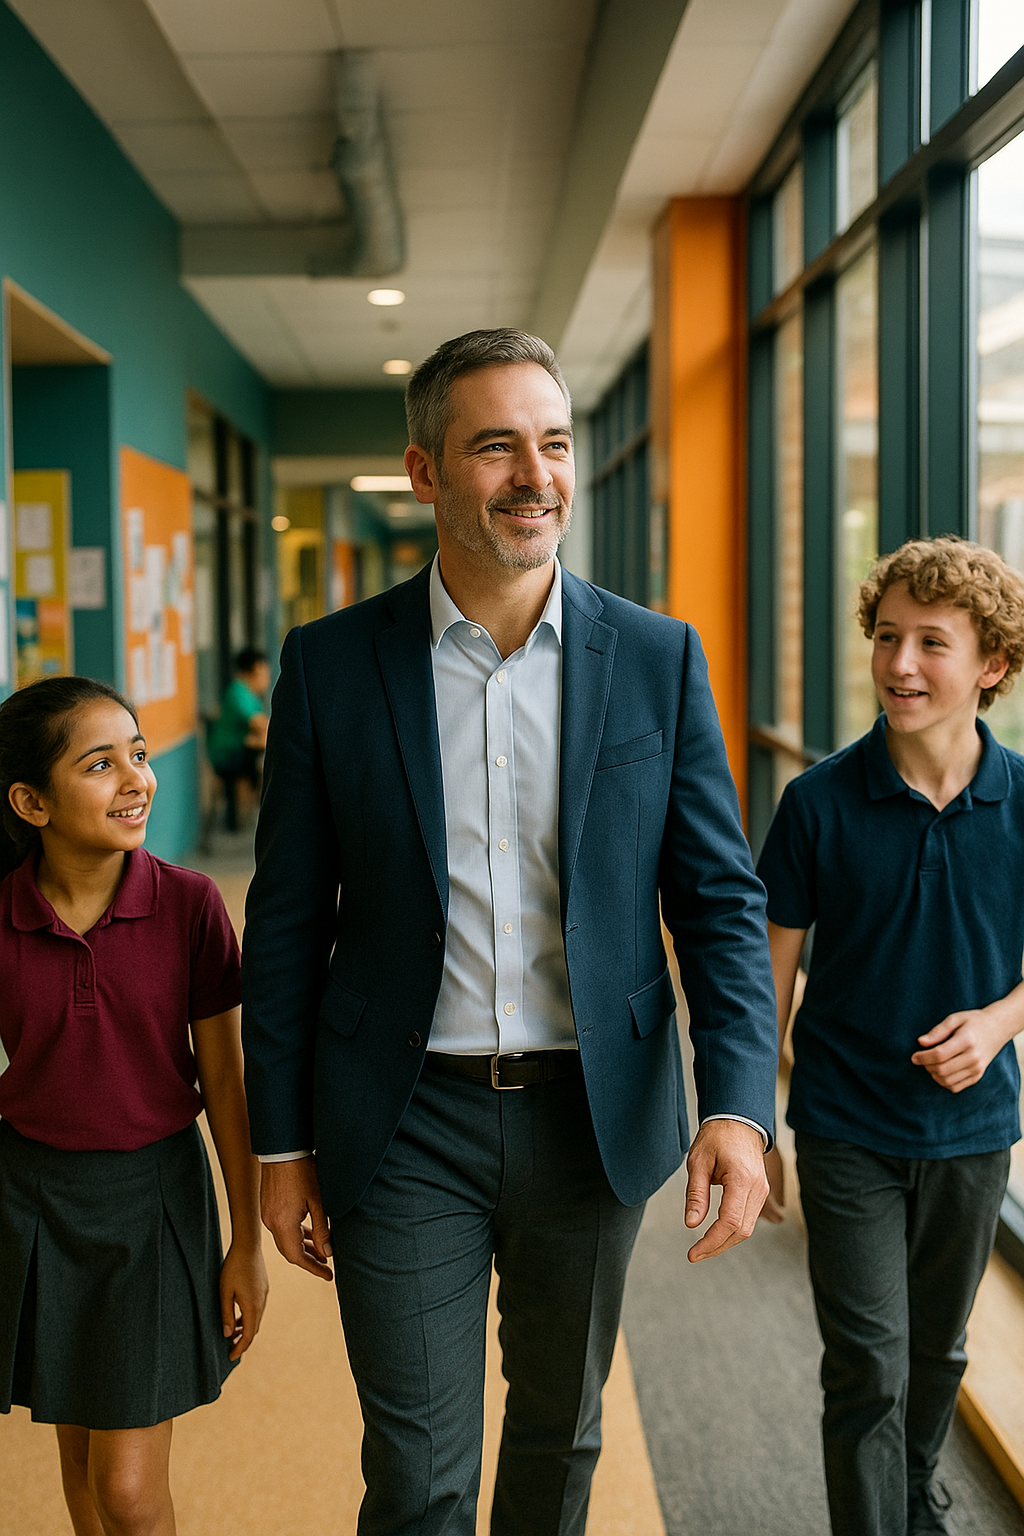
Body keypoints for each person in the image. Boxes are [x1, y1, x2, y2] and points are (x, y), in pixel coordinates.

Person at [242, 328, 778, 1536]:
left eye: (553, 442)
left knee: (557, 1438)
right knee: (421, 1471)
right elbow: (283, 922)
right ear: (426, 473)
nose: (536, 474)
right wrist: (278, 1145)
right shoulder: (331, 666)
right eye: (495, 447)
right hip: (399, 1120)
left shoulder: (653, 657)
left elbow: (717, 904)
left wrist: (739, 1106)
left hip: (591, 1119)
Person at [757, 537, 1024, 1536]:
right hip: (843, 1126)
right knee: (868, 1359)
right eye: (884, 637)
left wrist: (1000, 1023)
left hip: (972, 1131)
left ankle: (909, 1494)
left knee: (937, 1351)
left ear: (990, 663)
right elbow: (766, 978)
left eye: (930, 643)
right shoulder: (816, 803)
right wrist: (750, 1124)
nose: (899, 665)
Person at [0, 676, 268, 1536]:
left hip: (152, 1204)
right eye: (100, 763)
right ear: (30, 802)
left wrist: (245, 1242)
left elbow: (225, 1086)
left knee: (124, 1487)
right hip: (29, 1200)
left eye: (139, 755)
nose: (135, 778)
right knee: (78, 1460)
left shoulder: (188, 905)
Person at [207, 647, 271, 831]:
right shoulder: (238, 692)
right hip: (227, 756)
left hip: (239, 752)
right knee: (270, 766)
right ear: (255, 669)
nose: (266, 678)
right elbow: (260, 724)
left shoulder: (248, 694)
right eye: (263, 672)